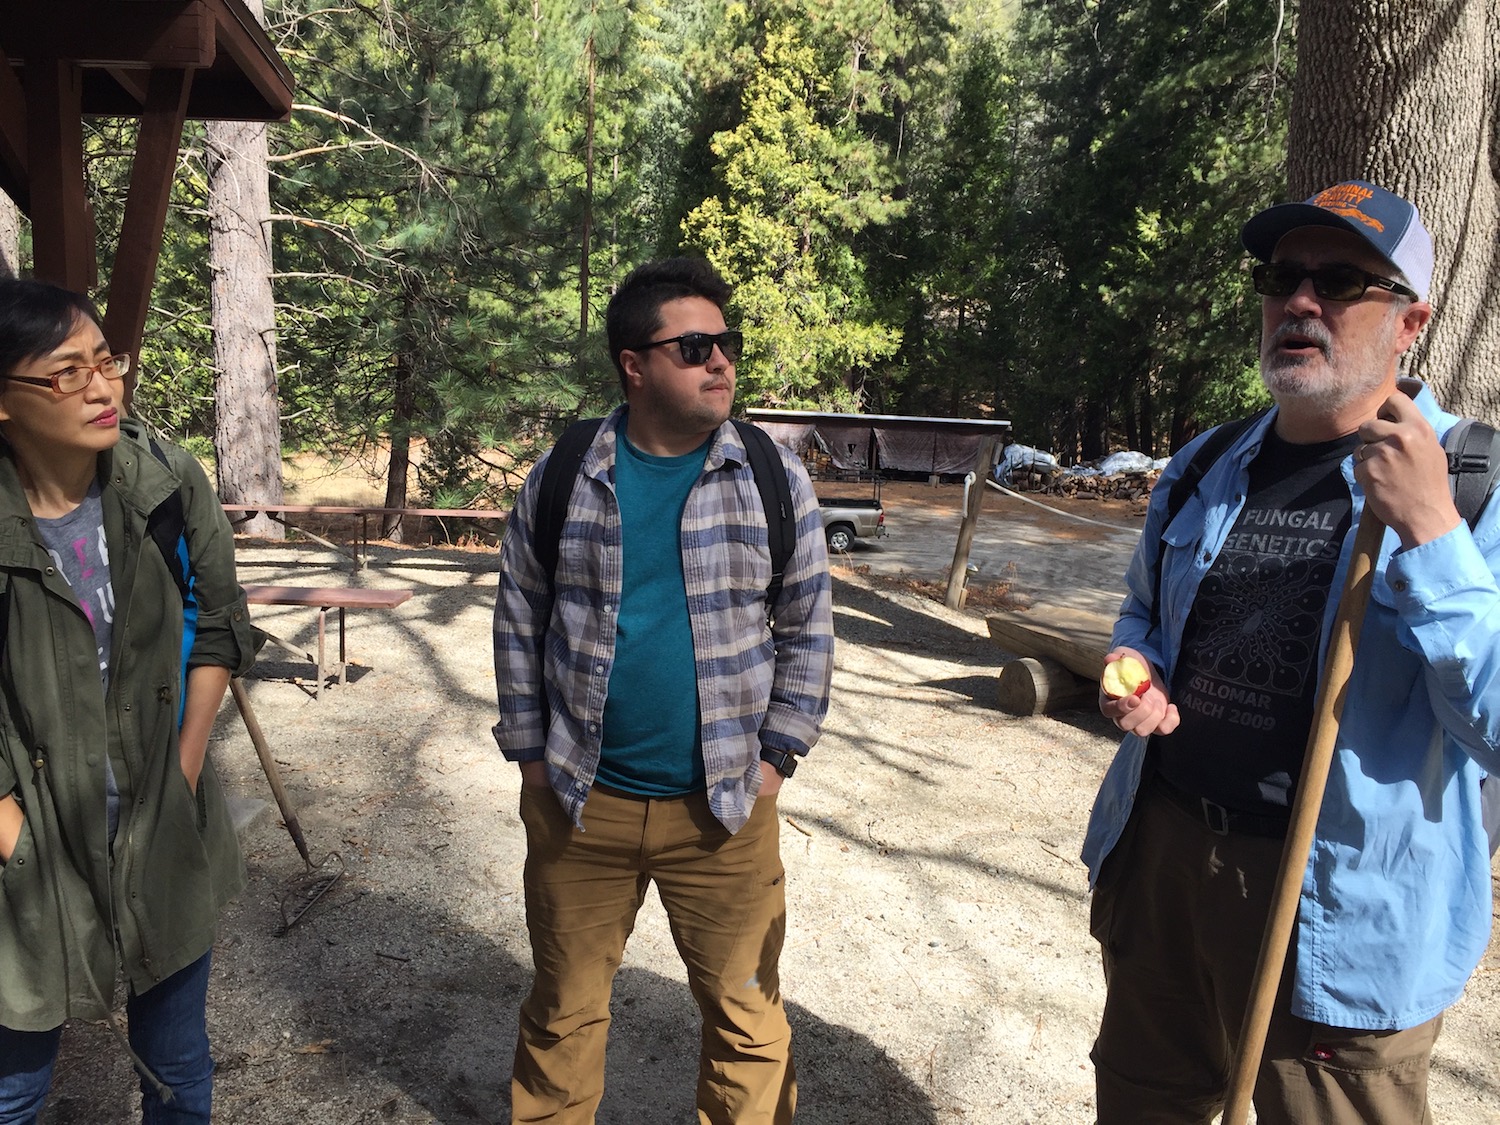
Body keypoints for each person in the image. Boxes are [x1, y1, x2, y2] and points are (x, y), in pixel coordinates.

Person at [1083, 180, 1500, 1123]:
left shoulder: (1477, 489)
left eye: (1342, 281)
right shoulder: (1203, 466)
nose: (1300, 302)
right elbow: (1141, 618)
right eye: (1282, 277)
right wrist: (1130, 670)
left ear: (1411, 321)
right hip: (1166, 857)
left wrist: (1433, 533)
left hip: (1343, 902)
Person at [492, 256, 834, 1124]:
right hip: (581, 802)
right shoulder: (565, 474)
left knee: (747, 1018)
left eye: (726, 343)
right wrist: (532, 756)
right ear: (634, 365)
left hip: (722, 809)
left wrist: (776, 757)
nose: (720, 361)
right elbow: (519, 616)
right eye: (693, 346)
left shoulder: (770, 476)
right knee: (563, 1013)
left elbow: (807, 626)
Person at [0, 279, 258, 1123]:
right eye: (68, 372)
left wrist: (183, 772)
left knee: (177, 1068)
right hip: (28, 842)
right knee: (13, 1086)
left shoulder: (164, 480)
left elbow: (220, 622)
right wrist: (11, 834)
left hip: (160, 825)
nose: (104, 386)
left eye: (106, 361)